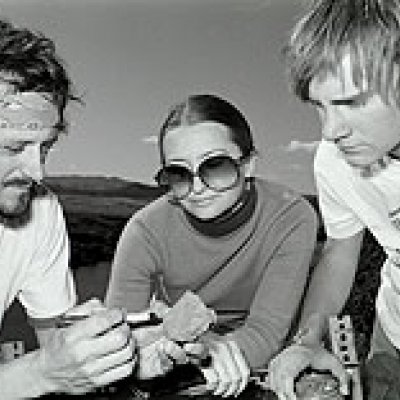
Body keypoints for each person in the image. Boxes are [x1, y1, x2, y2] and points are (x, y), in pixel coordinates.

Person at [105, 93, 318, 397]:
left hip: (265, 360)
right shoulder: (144, 232)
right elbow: (121, 334)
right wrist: (187, 349)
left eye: (215, 166)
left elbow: (267, 332)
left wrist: (211, 352)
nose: (198, 188)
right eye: (178, 174)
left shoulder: (291, 217)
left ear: (248, 164)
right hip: (178, 346)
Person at [268, 1, 400, 399]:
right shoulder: (334, 161)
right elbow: (341, 254)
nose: (330, 130)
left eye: (349, 102)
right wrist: (307, 340)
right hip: (392, 339)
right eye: (319, 106)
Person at [0, 18, 135, 398]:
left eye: (45, 147)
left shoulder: (39, 212)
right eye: (14, 148)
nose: (37, 171)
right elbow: (44, 369)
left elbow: (54, 344)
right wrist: (39, 374)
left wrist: (116, 352)